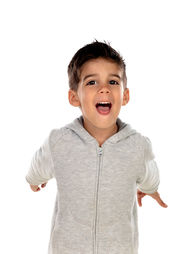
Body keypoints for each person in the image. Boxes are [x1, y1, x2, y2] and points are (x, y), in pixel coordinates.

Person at [25, 40, 168, 254]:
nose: (104, 89)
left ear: (125, 95)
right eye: (92, 82)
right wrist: (34, 180)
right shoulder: (59, 142)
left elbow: (149, 172)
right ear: (74, 97)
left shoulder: (137, 146)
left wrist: (150, 189)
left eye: (113, 82)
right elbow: (39, 162)